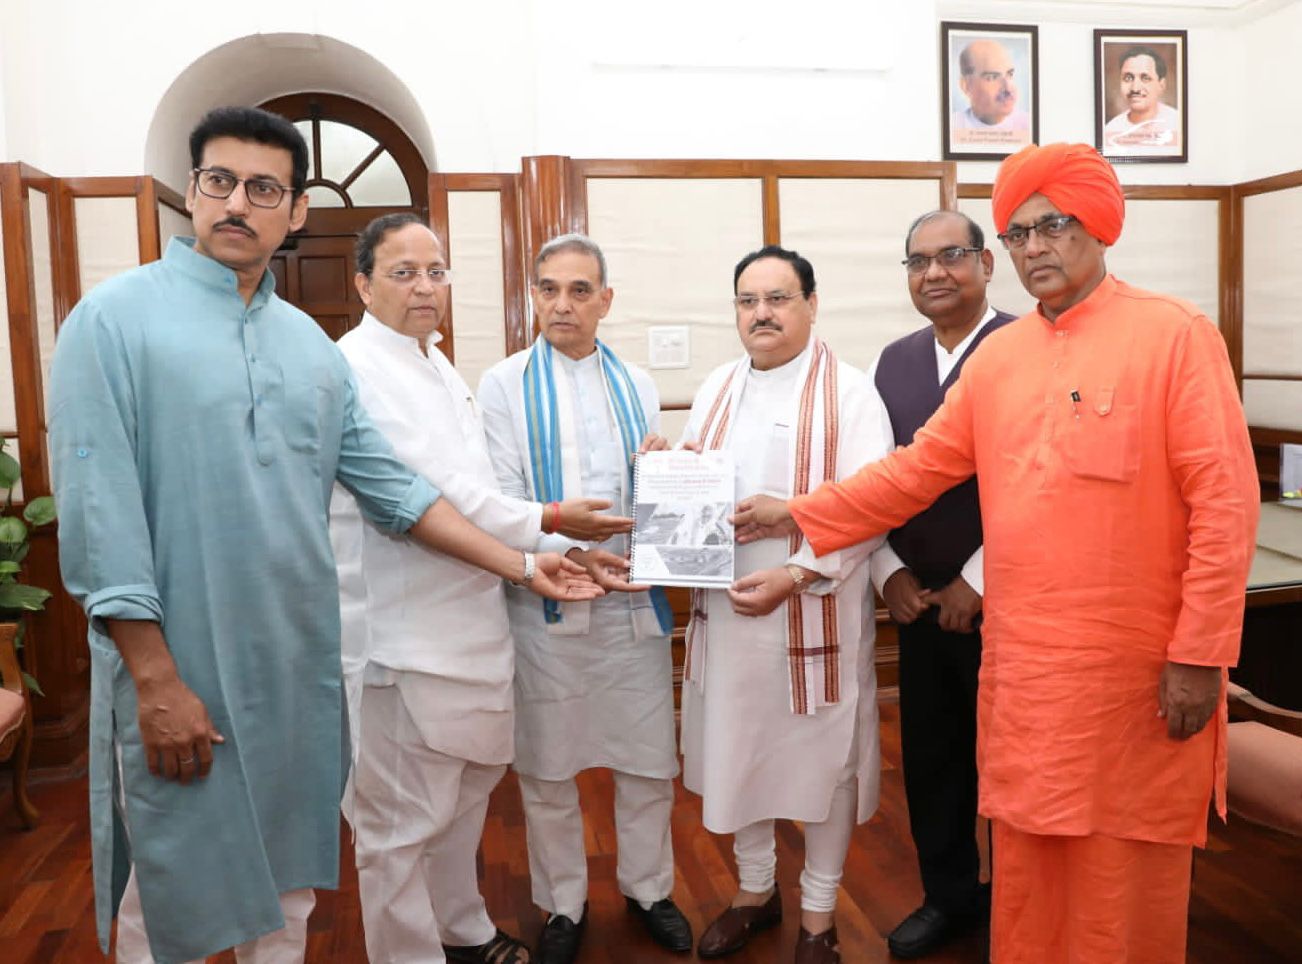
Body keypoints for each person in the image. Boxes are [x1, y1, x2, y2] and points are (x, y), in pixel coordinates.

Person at [48, 106, 595, 964]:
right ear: (190, 193)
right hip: (178, 663)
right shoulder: (112, 322)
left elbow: (399, 493)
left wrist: (526, 565)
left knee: (289, 886)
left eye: (264, 188)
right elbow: (97, 516)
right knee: (169, 889)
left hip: (298, 668)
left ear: (296, 213)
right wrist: (154, 676)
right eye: (218, 181)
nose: (238, 203)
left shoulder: (308, 347)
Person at [732, 143, 1259, 963]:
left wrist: (1200, 656)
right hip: (1028, 680)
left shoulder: (1176, 336)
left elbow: (1225, 509)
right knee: (1028, 868)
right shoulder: (998, 361)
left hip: (1136, 680)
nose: (1036, 247)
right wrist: (798, 513)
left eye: (1054, 225)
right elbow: (912, 474)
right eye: (1019, 234)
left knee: (1123, 879)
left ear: (1099, 227)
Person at [330, 214, 629, 964]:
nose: (426, 286)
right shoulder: (357, 367)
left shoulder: (433, 362)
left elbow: (482, 491)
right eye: (404, 272)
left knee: (464, 799)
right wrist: (551, 529)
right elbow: (437, 494)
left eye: (436, 270)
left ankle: (461, 928)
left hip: (471, 623)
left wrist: (559, 550)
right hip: (401, 642)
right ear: (363, 284)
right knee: (397, 830)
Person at [478, 234, 692, 964]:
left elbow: (645, 492)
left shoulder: (633, 382)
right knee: (547, 769)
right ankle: (563, 903)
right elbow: (501, 500)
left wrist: (664, 468)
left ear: (606, 300)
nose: (562, 304)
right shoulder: (503, 384)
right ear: (532, 296)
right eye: (548, 289)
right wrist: (571, 554)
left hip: (630, 602)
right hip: (549, 602)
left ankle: (649, 889)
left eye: (578, 290)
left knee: (645, 763)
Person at [682, 246, 892, 964]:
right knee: (741, 755)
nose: (761, 313)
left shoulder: (852, 393)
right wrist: (667, 471)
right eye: (748, 300)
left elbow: (874, 506)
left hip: (814, 612)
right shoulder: (716, 388)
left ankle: (819, 916)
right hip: (731, 616)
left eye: (778, 298)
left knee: (819, 770)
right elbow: (695, 495)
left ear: (810, 303)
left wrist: (798, 574)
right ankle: (754, 891)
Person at [874, 210, 1015, 960]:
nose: (934, 272)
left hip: (1013, 602)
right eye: (918, 260)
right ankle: (949, 897)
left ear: (987, 264)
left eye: (952, 255)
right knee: (932, 759)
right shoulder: (893, 363)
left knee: (1016, 763)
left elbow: (1041, 483)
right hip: (916, 603)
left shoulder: (1025, 346)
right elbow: (874, 479)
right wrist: (889, 573)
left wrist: (977, 579)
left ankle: (1025, 903)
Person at [1103, 46, 1181, 150]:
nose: (1135, 88)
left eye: (1145, 78)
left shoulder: (1177, 122)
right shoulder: (1110, 130)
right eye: (1128, 78)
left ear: (1161, 85)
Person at [951, 39, 1030, 134]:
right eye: (992, 77)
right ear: (966, 86)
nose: (1008, 89)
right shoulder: (953, 127)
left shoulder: (1028, 126)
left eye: (1010, 74)